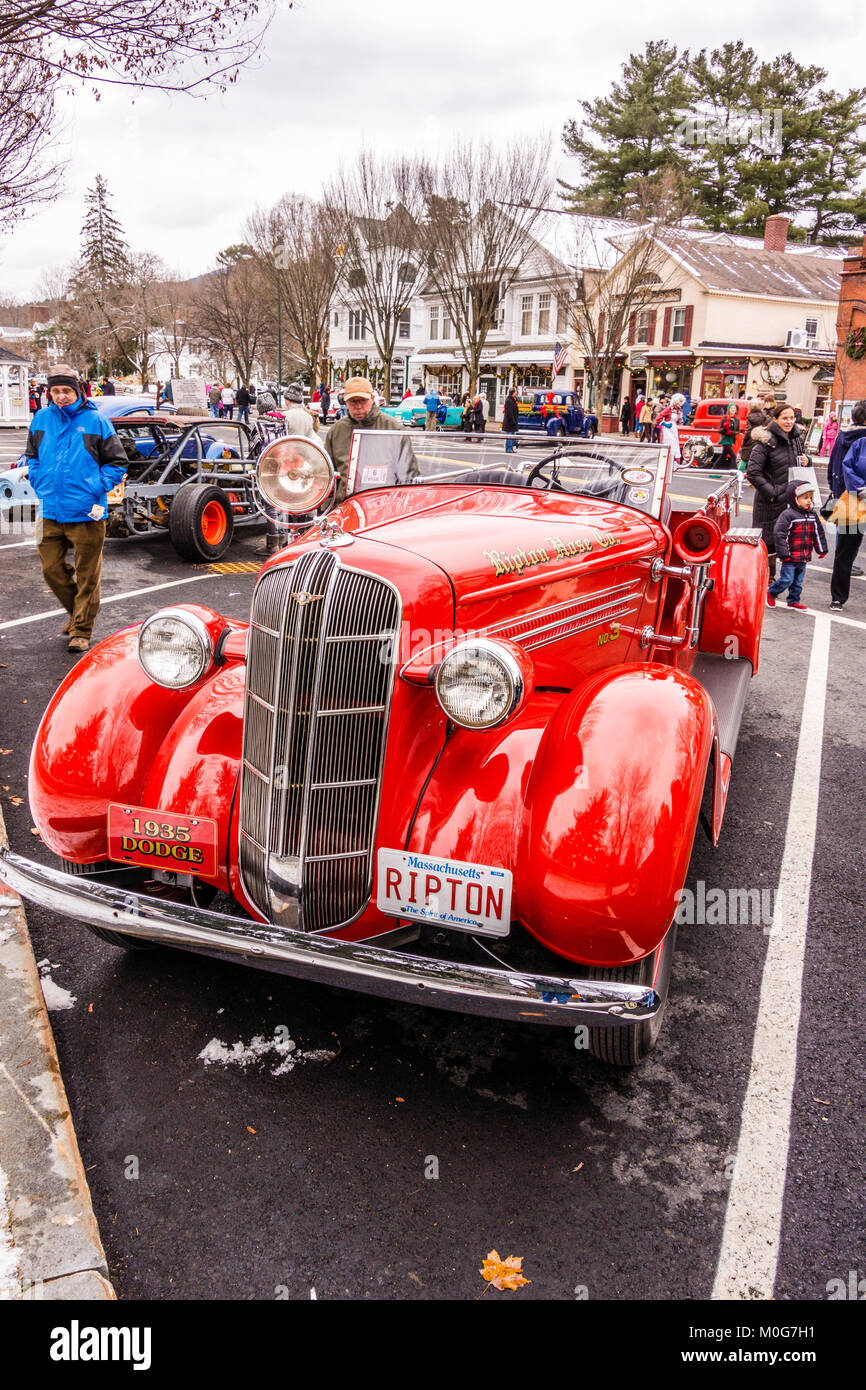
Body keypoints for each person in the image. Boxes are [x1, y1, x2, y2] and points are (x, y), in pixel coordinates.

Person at [24, 365, 127, 654]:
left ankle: (81, 630)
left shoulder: (96, 421)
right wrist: (37, 478)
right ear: (49, 392)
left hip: (87, 511)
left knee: (87, 576)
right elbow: (31, 456)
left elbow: (117, 463)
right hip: (50, 509)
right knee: (51, 570)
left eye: (66, 391)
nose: (61, 396)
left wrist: (95, 486)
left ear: (78, 391)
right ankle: (78, 614)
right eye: (55, 391)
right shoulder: (41, 419)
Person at [747, 403, 809, 582]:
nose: (789, 422)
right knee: (768, 543)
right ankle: (766, 581)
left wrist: (808, 460)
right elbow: (753, 472)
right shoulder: (766, 440)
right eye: (785, 418)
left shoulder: (797, 438)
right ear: (775, 419)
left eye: (792, 418)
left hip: (792, 500)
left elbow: (800, 462)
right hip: (770, 502)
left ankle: (786, 583)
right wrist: (772, 493)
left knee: (788, 540)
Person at [254, 384, 315, 556]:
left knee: (278, 502)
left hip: (285, 462)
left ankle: (278, 541)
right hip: (302, 461)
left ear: (288, 400)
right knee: (301, 502)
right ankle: (302, 538)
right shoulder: (307, 417)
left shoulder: (284, 416)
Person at [324, 376, 404, 501]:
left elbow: (408, 475)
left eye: (362, 400)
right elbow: (326, 476)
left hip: (382, 505)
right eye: (353, 401)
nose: (358, 406)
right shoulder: (336, 431)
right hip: (344, 507)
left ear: (372, 399)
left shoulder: (394, 428)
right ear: (345, 402)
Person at [827, 398, 866, 610]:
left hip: (848, 498)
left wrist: (835, 490)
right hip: (855, 499)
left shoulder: (843, 436)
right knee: (846, 551)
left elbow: (834, 466)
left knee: (845, 551)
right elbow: (845, 466)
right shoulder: (860, 441)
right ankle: (838, 597)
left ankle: (838, 597)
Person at [766, 482, 827, 611]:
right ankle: (771, 593)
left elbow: (818, 533)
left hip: (804, 556)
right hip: (790, 557)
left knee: (798, 582)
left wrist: (821, 549)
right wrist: (784, 554)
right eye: (805, 498)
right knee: (786, 580)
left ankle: (793, 601)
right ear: (795, 499)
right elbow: (779, 535)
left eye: (810, 498)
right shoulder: (788, 515)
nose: (809, 501)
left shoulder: (812, 515)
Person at [717, 401, 740, 468]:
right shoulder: (724, 418)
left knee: (723, 456)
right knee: (733, 456)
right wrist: (725, 429)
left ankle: (714, 469)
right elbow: (720, 430)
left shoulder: (737, 419)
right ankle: (735, 471)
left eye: (734, 408)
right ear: (729, 410)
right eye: (731, 408)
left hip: (731, 440)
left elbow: (738, 431)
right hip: (725, 439)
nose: (733, 410)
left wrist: (732, 432)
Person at [502, 386, 519, 452]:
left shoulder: (513, 400)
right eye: (516, 391)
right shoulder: (509, 400)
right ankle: (508, 449)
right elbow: (509, 412)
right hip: (510, 422)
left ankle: (511, 448)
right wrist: (513, 421)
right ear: (513, 392)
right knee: (509, 436)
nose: (517, 392)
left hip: (512, 421)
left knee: (512, 436)